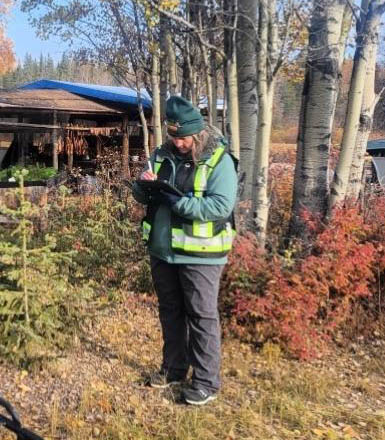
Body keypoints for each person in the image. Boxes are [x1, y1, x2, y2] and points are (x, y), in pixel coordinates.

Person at [132, 96, 237, 405]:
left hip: (200, 255)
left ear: (198, 132)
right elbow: (141, 194)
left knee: (202, 316)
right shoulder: (160, 155)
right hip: (163, 251)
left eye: (183, 137)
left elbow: (221, 205)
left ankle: (205, 382)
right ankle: (174, 368)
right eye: (173, 136)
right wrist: (143, 185)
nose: (178, 142)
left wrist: (180, 203)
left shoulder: (219, 160)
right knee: (170, 312)